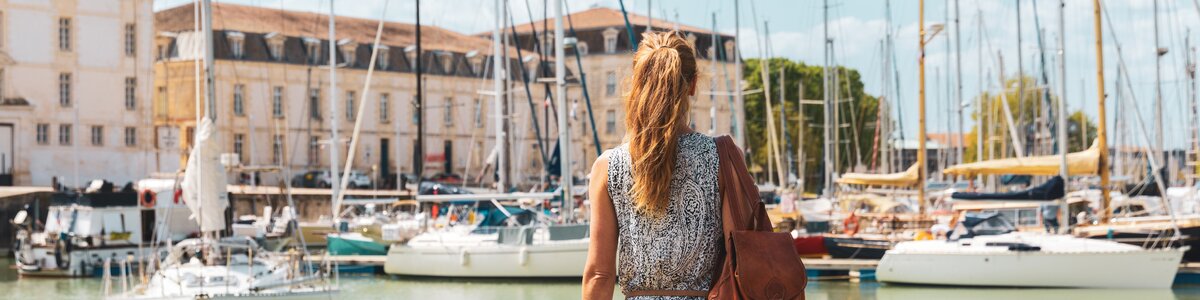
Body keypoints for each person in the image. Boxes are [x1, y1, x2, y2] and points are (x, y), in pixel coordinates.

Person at [583, 31, 735, 299]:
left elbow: (599, 274)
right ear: (693, 85)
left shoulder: (608, 166)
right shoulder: (722, 157)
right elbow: (740, 256)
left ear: (638, 84)